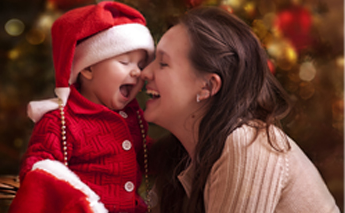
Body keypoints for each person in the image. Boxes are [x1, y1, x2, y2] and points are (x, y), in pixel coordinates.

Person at [141, 6, 340, 213]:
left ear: (208, 86)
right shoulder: (189, 159)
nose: (145, 72)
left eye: (163, 63)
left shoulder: (246, 144)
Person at [9, 2, 154, 213]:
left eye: (140, 65)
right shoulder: (60, 120)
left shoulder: (131, 118)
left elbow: (143, 155)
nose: (137, 72)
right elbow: (39, 172)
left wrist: (175, 151)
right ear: (87, 69)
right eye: (124, 62)